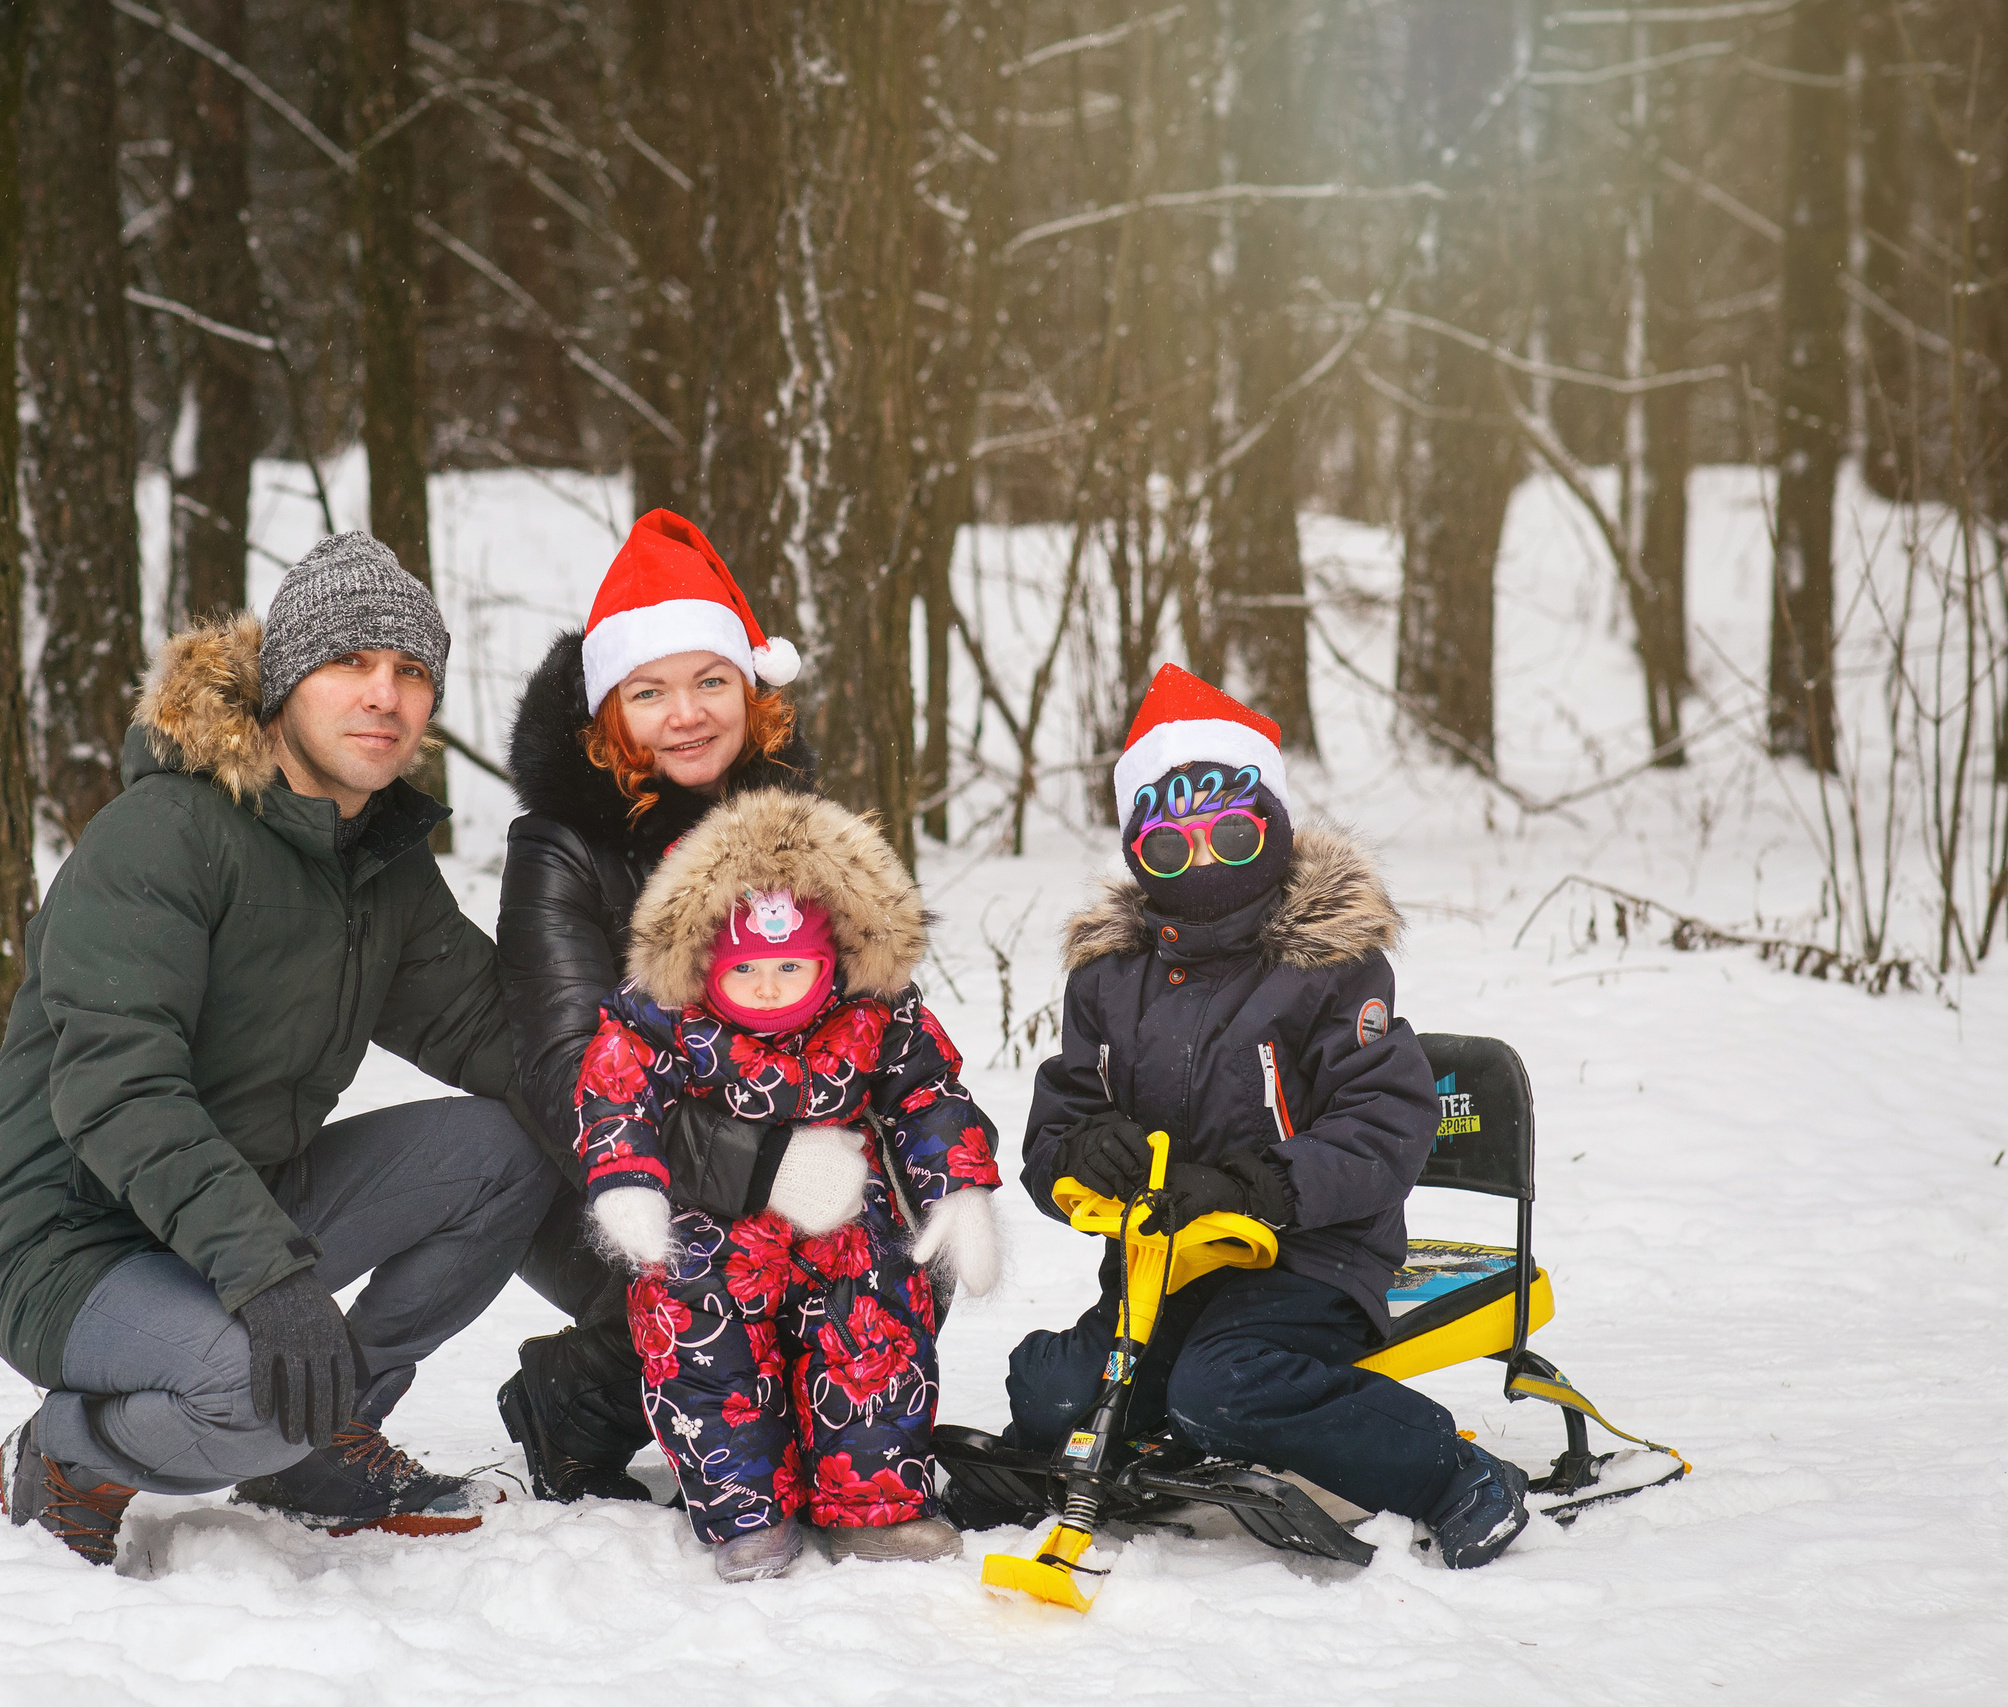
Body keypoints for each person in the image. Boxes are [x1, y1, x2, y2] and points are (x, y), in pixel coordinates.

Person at [0, 533, 556, 1565]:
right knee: (250, 1389)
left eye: (411, 672)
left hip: (242, 1212)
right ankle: (67, 1449)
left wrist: (693, 1136)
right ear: (284, 684)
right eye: (351, 663)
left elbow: (493, 1033)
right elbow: (118, 1092)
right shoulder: (164, 836)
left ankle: (319, 1438)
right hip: (74, 1246)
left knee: (504, 1153)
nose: (384, 695)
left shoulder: (374, 862)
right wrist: (269, 1281)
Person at [1009, 664, 1532, 1570]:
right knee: (1054, 1391)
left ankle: (1457, 1477)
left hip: (1309, 1260)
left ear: (1276, 831)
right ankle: (1125, 1435)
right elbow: (1058, 1122)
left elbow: (1386, 1121)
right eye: (1174, 849)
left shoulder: (1328, 966)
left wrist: (1263, 1184)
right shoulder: (1107, 976)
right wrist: (1083, 1151)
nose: (1205, 863)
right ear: (1141, 856)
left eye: (1233, 836)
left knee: (1227, 1388)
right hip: (1161, 1265)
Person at [577, 787, 1005, 1581]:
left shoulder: (874, 1009)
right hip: (715, 1223)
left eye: (791, 965)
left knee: (876, 1326)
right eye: (747, 970)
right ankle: (747, 1515)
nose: (770, 987)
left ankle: (874, 1504)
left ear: (831, 958)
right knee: (705, 1353)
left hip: (842, 1214)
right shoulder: (662, 1016)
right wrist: (627, 1180)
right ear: (706, 962)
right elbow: (615, 1089)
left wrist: (958, 1188)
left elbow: (928, 1094)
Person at [493, 510, 818, 1502]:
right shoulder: (559, 849)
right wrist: (762, 1167)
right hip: (609, 1182)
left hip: (778, 1147)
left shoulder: (794, 828)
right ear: (607, 713)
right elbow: (566, 1074)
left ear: (749, 694)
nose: (687, 714)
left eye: (710, 682)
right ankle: (573, 1398)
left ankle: (819, 1418)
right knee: (734, 1277)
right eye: (651, 692)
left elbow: (867, 1010)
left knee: (885, 1242)